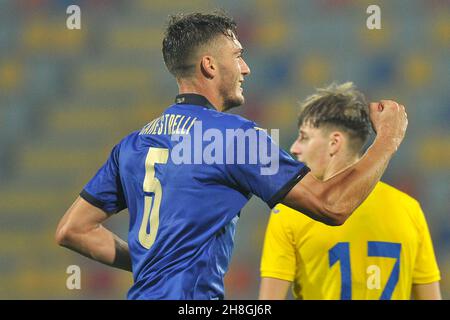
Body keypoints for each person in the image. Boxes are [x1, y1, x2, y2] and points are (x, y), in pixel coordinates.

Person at [55, 12, 408, 300]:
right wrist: (388, 138)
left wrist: (158, 266)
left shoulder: (132, 144)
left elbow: (73, 230)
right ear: (209, 65)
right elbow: (332, 206)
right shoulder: (235, 137)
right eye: (238, 56)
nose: (246, 68)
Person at [259, 82, 441, 300]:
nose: (294, 148)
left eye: (304, 137)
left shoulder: (290, 212)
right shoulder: (409, 209)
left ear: (334, 142)